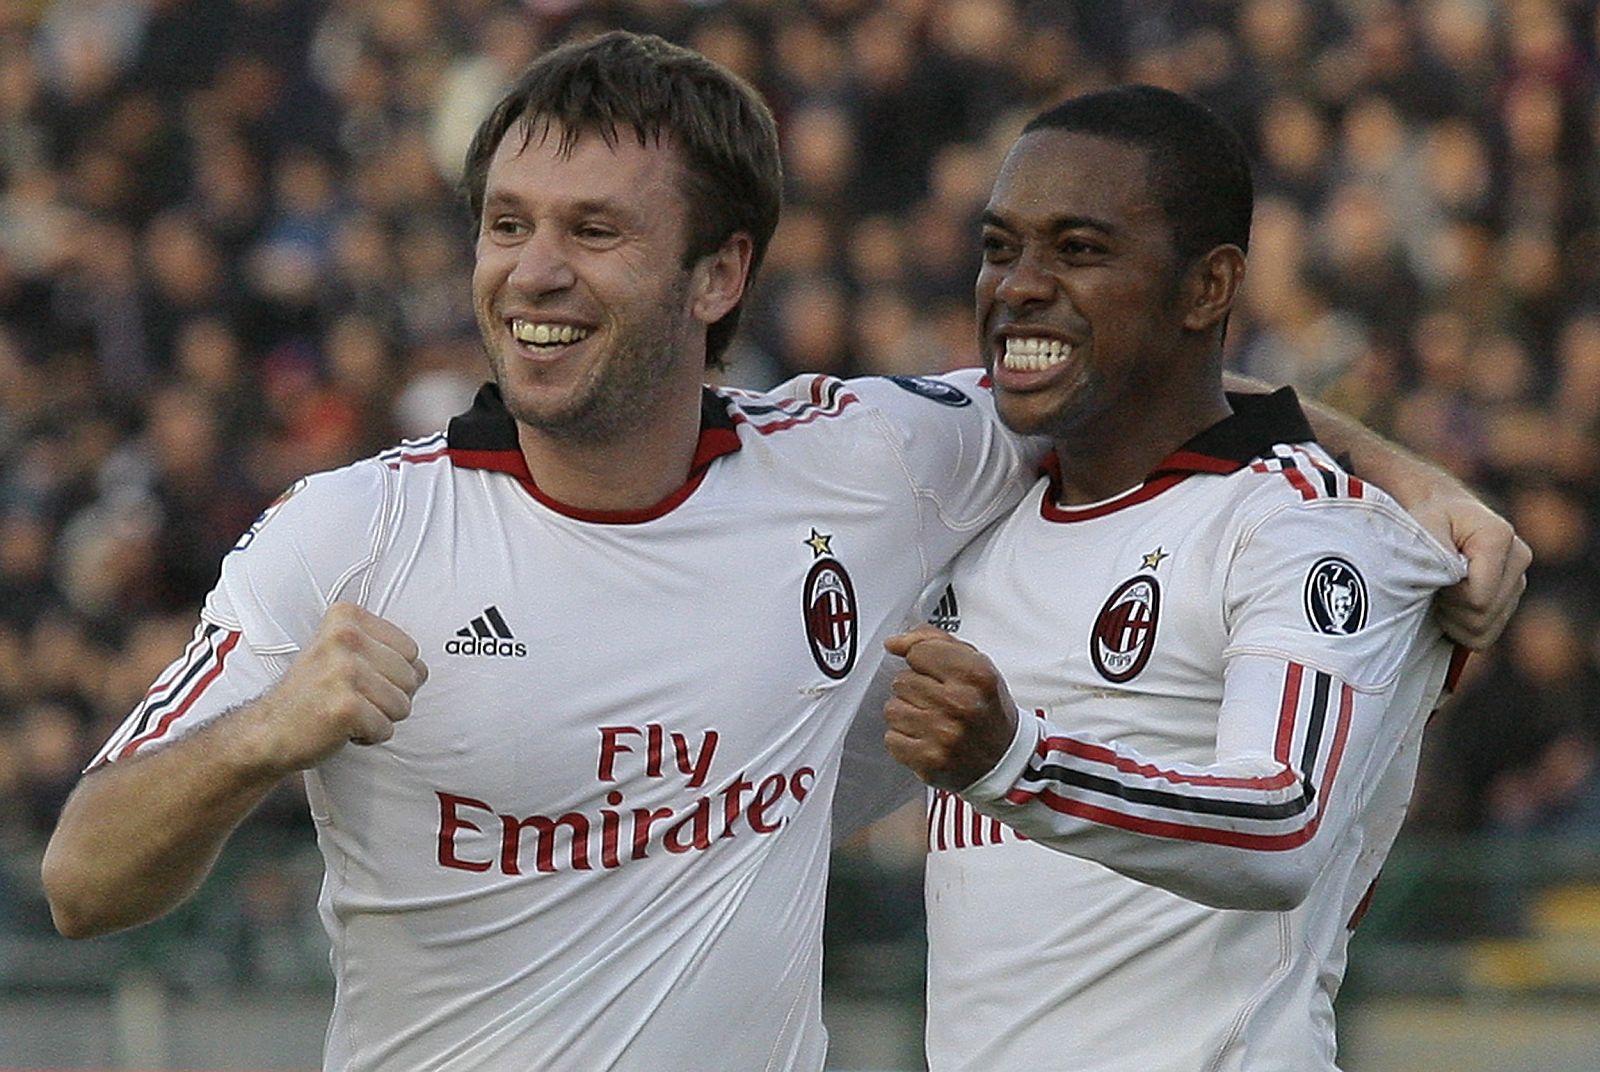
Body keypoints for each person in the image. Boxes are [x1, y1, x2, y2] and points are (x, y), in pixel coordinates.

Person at [42, 34, 1521, 1072]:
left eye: (593, 230)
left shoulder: (866, 465)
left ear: (719, 273)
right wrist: (263, 737)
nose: (531, 271)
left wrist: (1409, 477)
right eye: (505, 223)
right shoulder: (354, 533)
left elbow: (1133, 373)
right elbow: (83, 879)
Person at [877, 85, 1490, 1071]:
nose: (1018, 285)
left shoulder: (1304, 526)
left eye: (1078, 250)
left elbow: (1279, 822)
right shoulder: (975, 511)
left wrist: (1015, 758)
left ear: (1207, 289)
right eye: (1000, 248)